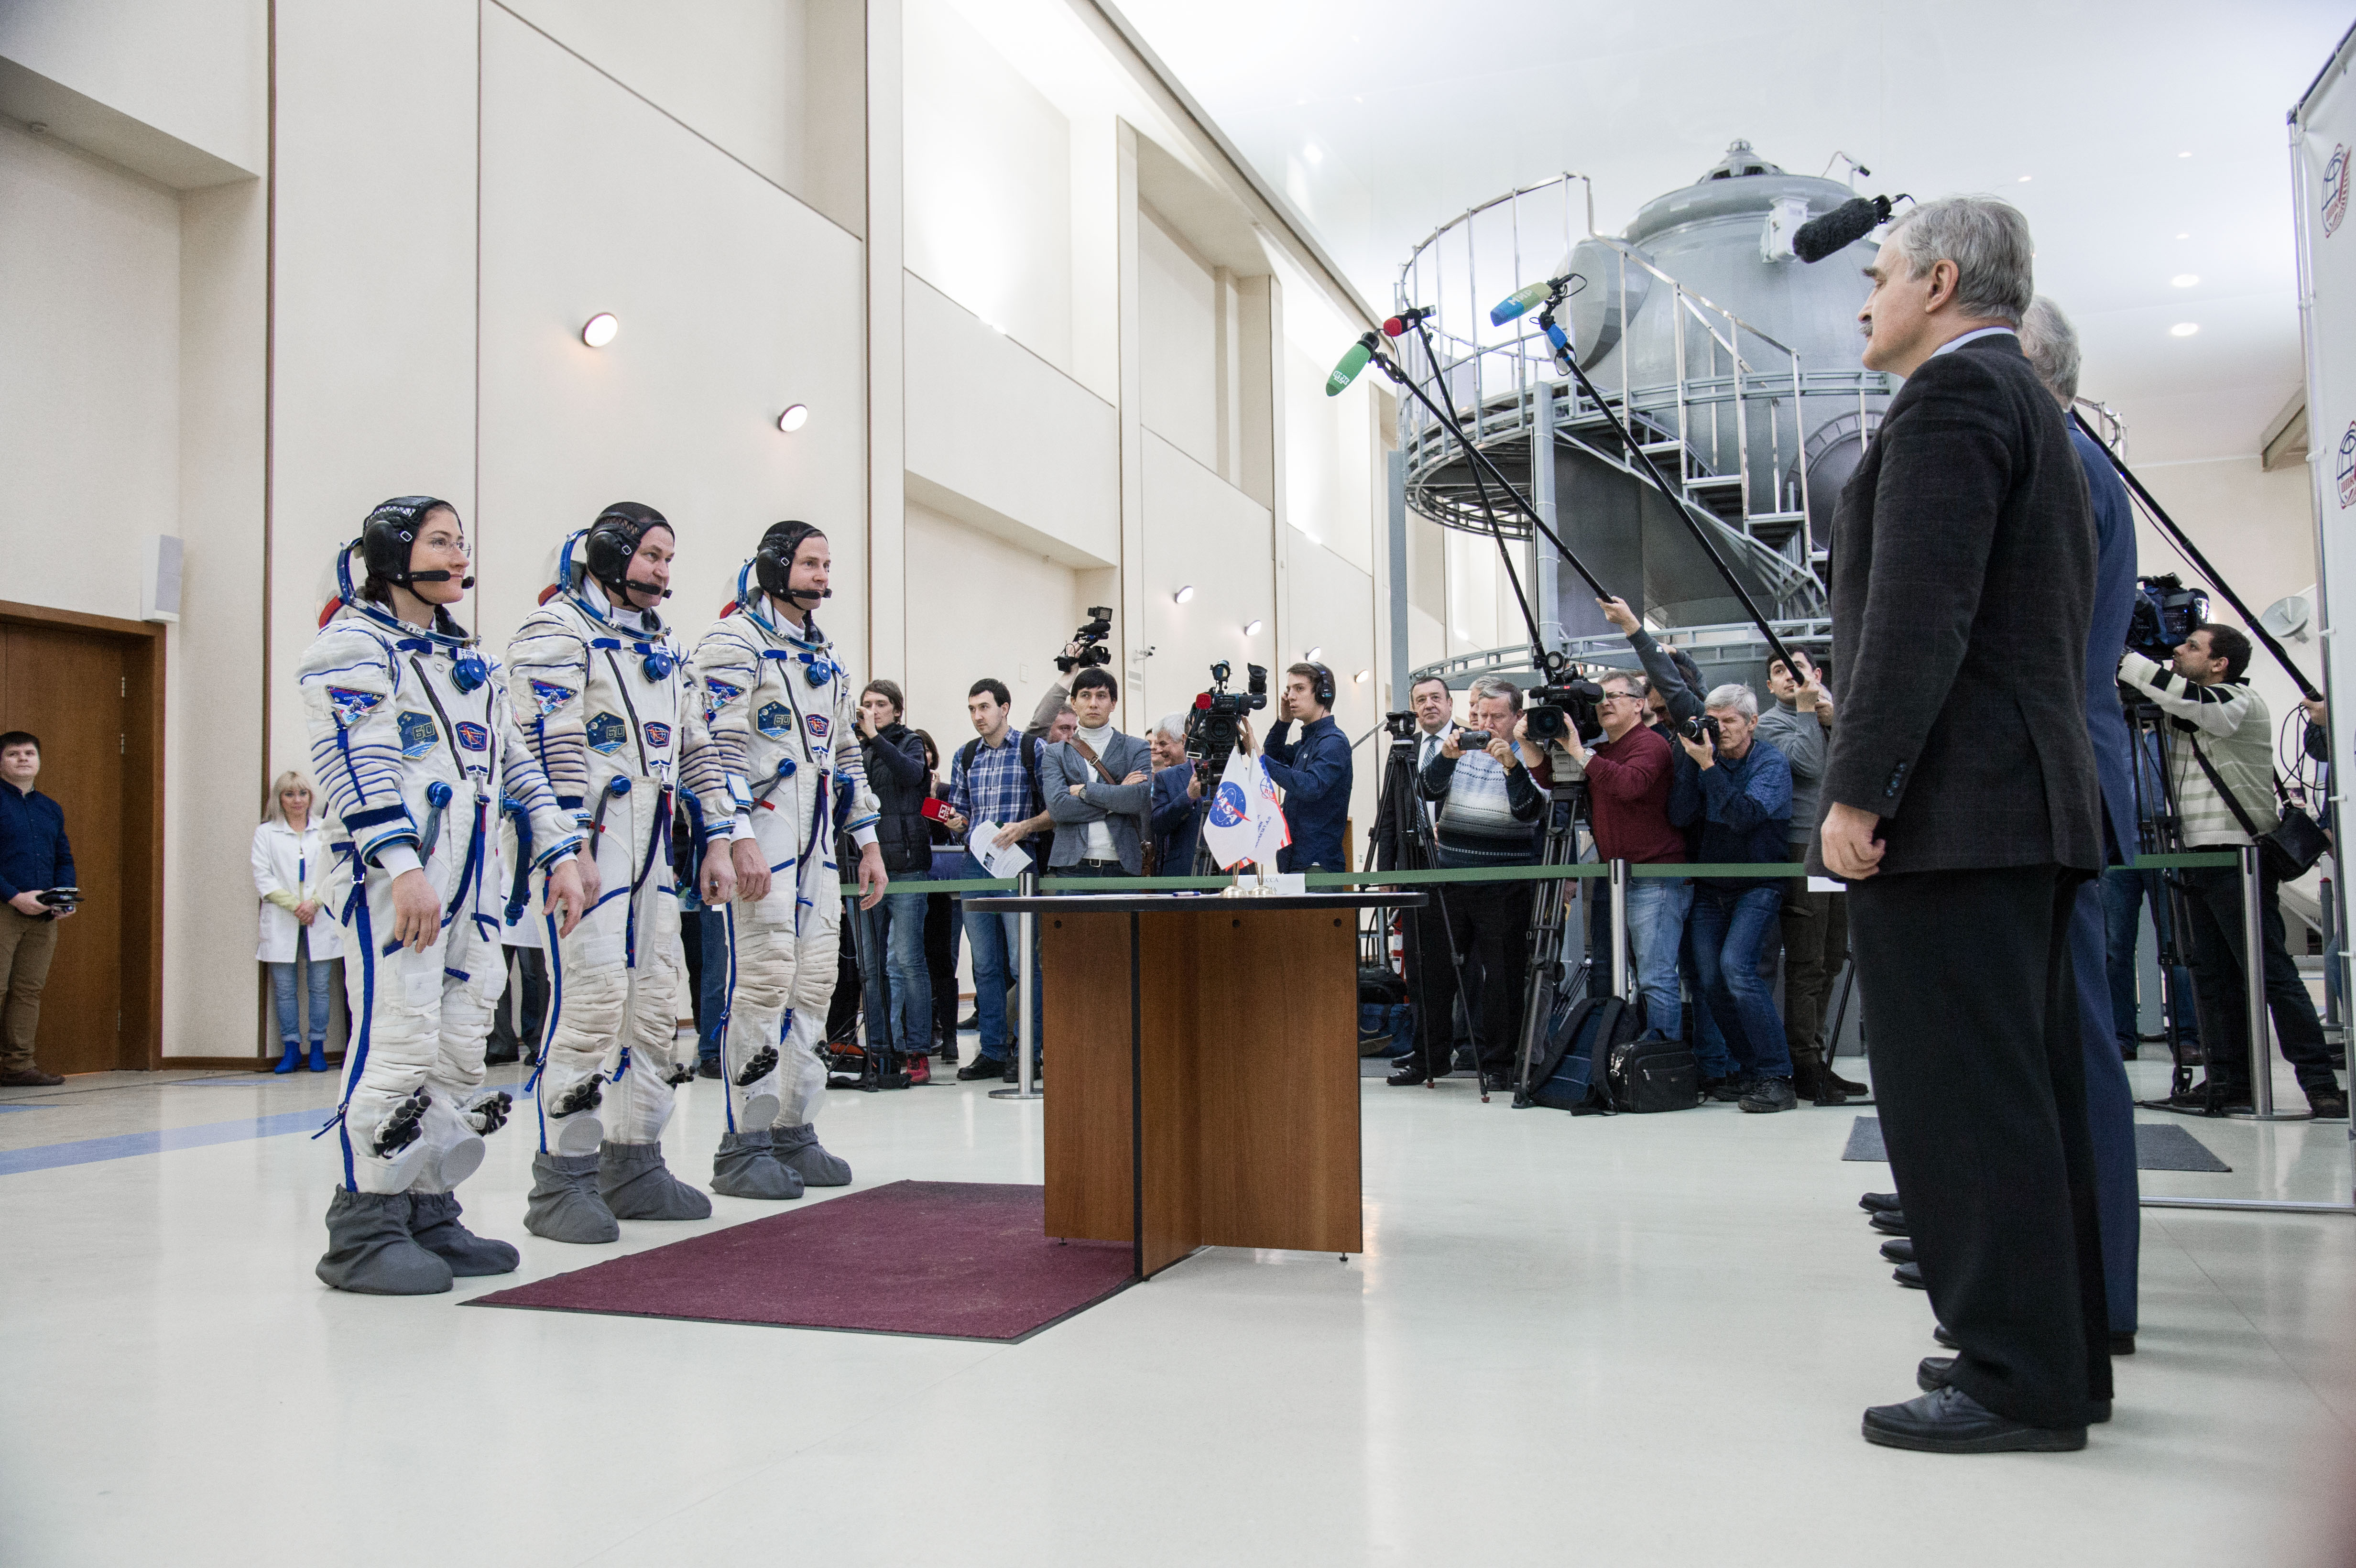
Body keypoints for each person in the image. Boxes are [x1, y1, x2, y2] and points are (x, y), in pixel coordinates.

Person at [1815, 196, 2111, 1451]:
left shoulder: (1948, 400)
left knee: (1962, 1101)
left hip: (1955, 814)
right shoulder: (2028, 403)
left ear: (1939, 282)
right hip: (2019, 803)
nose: (1863, 297)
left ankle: (2011, 1379)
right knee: (2021, 1096)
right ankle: (2050, 1354)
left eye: (1877, 275)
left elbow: (1919, 618)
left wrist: (1860, 786)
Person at [297, 497, 592, 1295]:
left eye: (462, 541)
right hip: (400, 882)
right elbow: (357, 761)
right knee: (398, 1042)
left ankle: (428, 1207)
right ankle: (364, 1226)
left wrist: (559, 849)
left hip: (474, 884)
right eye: (440, 541)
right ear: (392, 555)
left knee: (462, 1046)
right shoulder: (352, 648)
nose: (459, 554)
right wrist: (401, 864)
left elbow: (514, 761)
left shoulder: (466, 660)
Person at [505, 504, 717, 1241]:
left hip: (652, 845)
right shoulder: (555, 634)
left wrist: (719, 836)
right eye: (652, 556)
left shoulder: (662, 647)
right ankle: (562, 1179)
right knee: (592, 1003)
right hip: (588, 845)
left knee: (656, 1001)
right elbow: (544, 740)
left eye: (669, 559)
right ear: (609, 554)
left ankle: (634, 1160)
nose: (664, 573)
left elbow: (695, 746)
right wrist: (565, 847)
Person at [683, 520, 887, 1193]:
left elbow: (847, 757)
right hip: (761, 838)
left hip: (815, 847)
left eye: (828, 566)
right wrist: (734, 833)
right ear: (774, 566)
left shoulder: (825, 658)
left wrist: (868, 841)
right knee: (763, 982)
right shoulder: (732, 644)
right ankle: (745, 1144)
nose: (823, 577)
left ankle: (795, 1129)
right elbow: (714, 749)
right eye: (809, 564)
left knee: (814, 984)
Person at [2023, 293, 2148, 1345]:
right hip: (2068, 763)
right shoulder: (2066, 456)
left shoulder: (2059, 461)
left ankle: (2093, 1288)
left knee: (2074, 1041)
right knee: (2051, 1036)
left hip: (2055, 777)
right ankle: (2060, 1265)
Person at [2118, 626, 2346, 1118]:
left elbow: (2192, 703)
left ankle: (2319, 1084)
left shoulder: (2238, 702)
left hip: (2237, 857)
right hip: (2197, 857)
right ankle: (2227, 1081)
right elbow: (2167, 701)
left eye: (2192, 647)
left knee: (2270, 975)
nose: (2178, 650)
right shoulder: (2188, 705)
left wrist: (2124, 657)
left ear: (2219, 663)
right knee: (2211, 976)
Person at [1415, 675, 1546, 1091]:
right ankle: (1429, 1059)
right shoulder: (1460, 748)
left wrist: (1511, 765)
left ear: (1517, 717)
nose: (1486, 723)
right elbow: (1426, 789)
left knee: (1502, 978)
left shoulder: (1530, 756)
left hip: (1504, 883)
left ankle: (1499, 1063)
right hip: (1451, 877)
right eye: (1480, 714)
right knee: (1434, 972)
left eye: (1496, 716)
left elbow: (1529, 812)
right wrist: (1447, 757)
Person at [1671, 685, 1796, 1112]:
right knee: (1709, 982)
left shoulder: (1771, 764)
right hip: (1711, 886)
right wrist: (1691, 761)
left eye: (1729, 722)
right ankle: (1751, 1071)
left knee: (1738, 971)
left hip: (1759, 883)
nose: (1719, 730)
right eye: (1714, 720)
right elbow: (1680, 814)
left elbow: (1743, 818)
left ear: (1752, 723)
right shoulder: (1705, 757)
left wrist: (1708, 767)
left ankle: (1778, 1076)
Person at [1555, 674, 1688, 1042]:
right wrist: (1528, 747)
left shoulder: (1652, 744)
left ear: (1639, 703)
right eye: (1600, 698)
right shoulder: (1603, 750)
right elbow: (1557, 783)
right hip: (1615, 877)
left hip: (1655, 876)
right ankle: (1620, 1054)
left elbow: (1630, 786)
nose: (1605, 704)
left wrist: (1581, 753)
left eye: (1616, 696)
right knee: (1611, 972)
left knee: (1655, 977)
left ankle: (1662, 1062)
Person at [939, 679, 1054, 1081]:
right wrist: (958, 824)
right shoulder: (965, 756)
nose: (977, 716)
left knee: (1024, 963)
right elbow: (962, 813)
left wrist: (1024, 827)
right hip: (977, 864)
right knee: (985, 966)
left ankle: (1029, 1051)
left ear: (1005, 708)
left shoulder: (1032, 749)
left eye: (984, 708)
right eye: (972, 709)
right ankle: (991, 1051)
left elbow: (1054, 810)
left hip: (1018, 864)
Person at [1759, 651, 1849, 1101]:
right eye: (1778, 671)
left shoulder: (1833, 718)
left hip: (1837, 850)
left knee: (1832, 958)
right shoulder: (1773, 724)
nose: (1788, 676)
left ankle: (1819, 1056)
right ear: (1771, 687)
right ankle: (1805, 1065)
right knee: (1807, 961)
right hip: (1802, 849)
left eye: (1796, 667)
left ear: (1817, 675)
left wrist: (1834, 721)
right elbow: (1811, 767)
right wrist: (1808, 714)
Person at [1384, 675, 1466, 1087]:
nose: (1429, 705)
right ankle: (1429, 1057)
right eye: (1421, 700)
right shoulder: (1404, 751)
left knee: (1468, 967)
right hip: (1418, 872)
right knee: (1421, 970)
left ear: (1451, 704)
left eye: (1436, 698)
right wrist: (1387, 875)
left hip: (1465, 870)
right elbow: (1388, 817)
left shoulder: (1472, 741)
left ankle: (1475, 1051)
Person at [854, 680, 935, 1084]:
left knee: (905, 961)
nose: (873, 710)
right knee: (871, 967)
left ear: (897, 710)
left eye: (881, 704)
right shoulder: (855, 748)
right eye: (867, 705)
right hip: (864, 872)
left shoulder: (909, 743)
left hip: (905, 868)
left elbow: (910, 776)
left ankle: (917, 1049)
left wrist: (874, 737)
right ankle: (880, 1050)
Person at [252, 770, 344, 1074]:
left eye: (303, 794)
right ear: (279, 799)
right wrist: (296, 906)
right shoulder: (266, 833)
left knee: (320, 988)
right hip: (284, 917)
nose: (297, 801)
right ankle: (291, 1048)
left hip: (319, 915)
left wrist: (314, 903)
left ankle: (317, 1048)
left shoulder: (324, 831)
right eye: (289, 795)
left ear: (311, 797)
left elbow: (334, 871)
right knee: (284, 989)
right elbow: (263, 877)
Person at [0, 731, 73, 1088]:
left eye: (30, 753)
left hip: (43, 915)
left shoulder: (50, 808)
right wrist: (14, 896)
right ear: (2, 762)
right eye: (14, 754)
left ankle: (18, 1066)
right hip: (4, 908)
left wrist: (64, 899)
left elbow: (63, 857)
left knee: (28, 990)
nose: (23, 759)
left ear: (39, 761)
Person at [1043, 667, 1154, 878]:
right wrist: (1118, 797)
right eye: (1086, 695)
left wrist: (1086, 791)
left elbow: (1138, 800)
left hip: (1123, 867)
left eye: (1101, 696)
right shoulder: (1055, 753)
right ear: (1074, 703)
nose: (1093, 703)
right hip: (1072, 867)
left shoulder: (1136, 748)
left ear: (1113, 704)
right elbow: (1058, 809)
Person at [1250, 663, 1353, 872]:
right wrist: (1284, 721)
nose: (1290, 696)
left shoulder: (1333, 742)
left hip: (1317, 865)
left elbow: (1310, 787)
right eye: (1289, 690)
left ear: (1323, 694)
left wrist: (1262, 759)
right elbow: (1274, 755)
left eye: (1299, 689)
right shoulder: (1309, 742)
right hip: (1294, 861)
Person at [913, 729, 962, 1064]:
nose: (923, 758)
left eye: (927, 752)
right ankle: (920, 1030)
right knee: (909, 961)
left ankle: (950, 1037)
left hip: (940, 887)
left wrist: (932, 798)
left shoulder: (943, 792)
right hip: (909, 883)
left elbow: (949, 828)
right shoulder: (898, 792)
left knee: (942, 961)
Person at [1146, 714, 1203, 874]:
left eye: (1163, 743)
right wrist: (1188, 797)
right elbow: (1158, 826)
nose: (1158, 750)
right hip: (1182, 876)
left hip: (1227, 877)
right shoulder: (1164, 778)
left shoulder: (1228, 773)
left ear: (1184, 740)